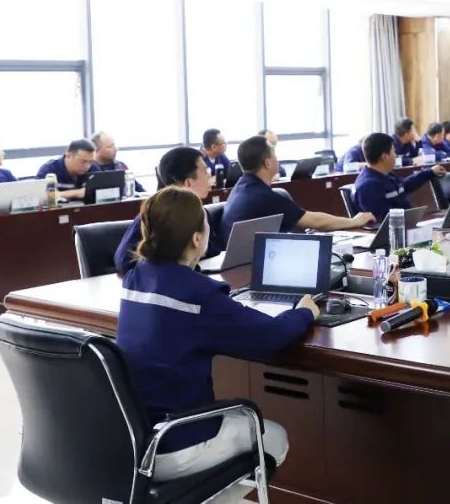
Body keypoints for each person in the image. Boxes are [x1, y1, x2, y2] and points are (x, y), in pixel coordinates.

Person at [117, 187, 318, 501]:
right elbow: (272, 337)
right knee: (275, 438)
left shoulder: (135, 277)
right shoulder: (200, 295)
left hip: (134, 437)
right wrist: (305, 311)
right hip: (178, 442)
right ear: (197, 238)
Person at [220, 136, 373, 240]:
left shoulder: (241, 187)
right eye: (274, 154)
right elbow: (316, 221)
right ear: (267, 163)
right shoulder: (262, 196)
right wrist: (354, 221)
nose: (277, 158)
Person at [114, 147, 226, 273]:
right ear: (188, 183)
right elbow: (123, 261)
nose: (210, 176)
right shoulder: (155, 214)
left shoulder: (200, 212)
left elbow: (214, 247)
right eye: (205, 172)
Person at [353, 133, 447, 223]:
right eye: (393, 151)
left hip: (406, 225)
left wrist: (430, 172)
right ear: (384, 157)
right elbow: (380, 223)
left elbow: (404, 186)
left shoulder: (386, 175)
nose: (396, 155)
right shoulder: (368, 187)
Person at [36, 139, 101, 200]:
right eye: (83, 161)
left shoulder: (94, 168)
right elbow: (40, 196)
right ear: (68, 156)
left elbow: (102, 192)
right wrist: (77, 193)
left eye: (91, 162)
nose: (87, 166)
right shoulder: (49, 170)